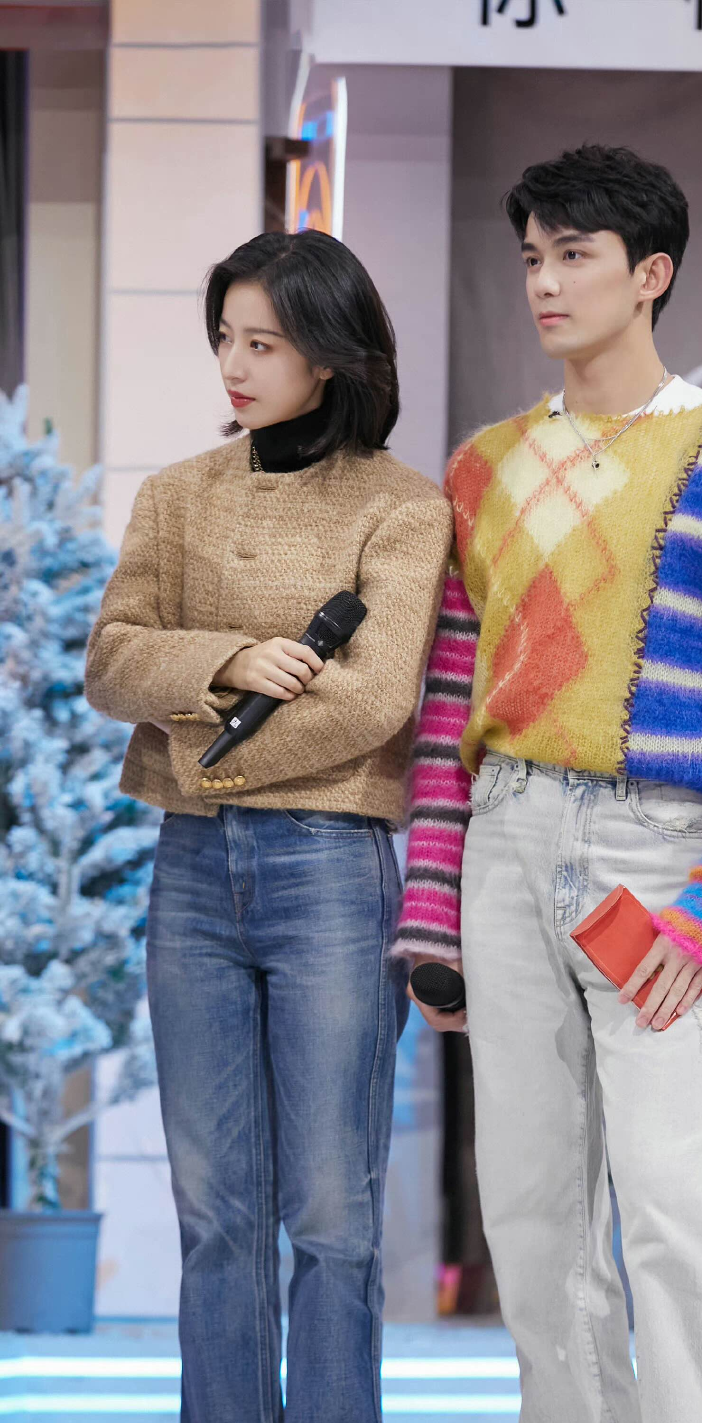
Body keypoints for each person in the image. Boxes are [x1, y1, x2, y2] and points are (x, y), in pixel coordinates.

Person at [393, 143, 702, 1423]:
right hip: (505, 842)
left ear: (650, 273)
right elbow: (450, 705)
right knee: (530, 1207)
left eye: (574, 256)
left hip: (661, 860)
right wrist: (431, 913)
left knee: (673, 1202)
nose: (544, 284)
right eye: (530, 258)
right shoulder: (482, 466)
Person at [85, 229, 452, 1423]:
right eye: (226, 340)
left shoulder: (402, 508)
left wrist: (195, 752)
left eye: (264, 344)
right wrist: (232, 660)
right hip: (190, 871)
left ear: (328, 356)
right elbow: (112, 659)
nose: (235, 367)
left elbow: (373, 700)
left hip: (331, 870)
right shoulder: (177, 495)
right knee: (213, 1211)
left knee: (334, 1215)